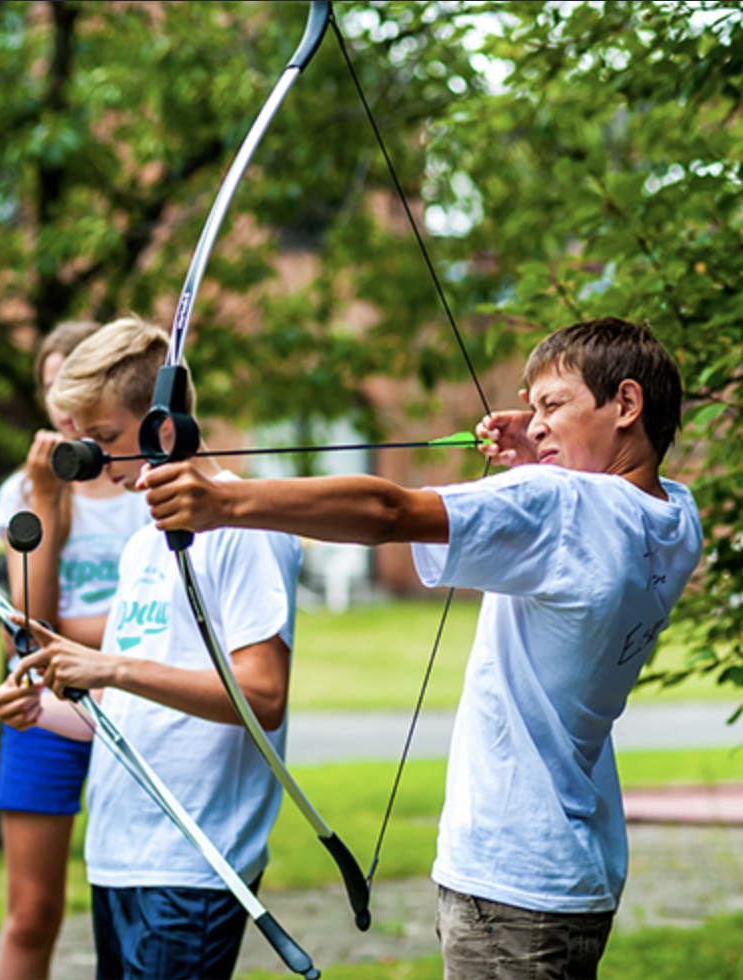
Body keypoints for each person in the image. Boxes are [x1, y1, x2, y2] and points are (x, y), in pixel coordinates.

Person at [140, 317, 703, 980]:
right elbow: (588, 539)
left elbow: (389, 511)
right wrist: (544, 447)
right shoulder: (675, 516)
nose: (537, 420)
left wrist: (225, 503)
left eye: (552, 404)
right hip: (577, 872)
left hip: (510, 883)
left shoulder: (562, 504)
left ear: (627, 405)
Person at [0, 316, 301, 980]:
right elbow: (122, 706)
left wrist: (110, 665)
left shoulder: (245, 528)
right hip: (121, 856)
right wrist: (40, 710)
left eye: (104, 439)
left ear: (164, 427)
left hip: (191, 865)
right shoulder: (143, 543)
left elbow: (263, 697)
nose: (94, 461)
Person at [0, 321, 150, 980]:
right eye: (54, 387)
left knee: (135, 905)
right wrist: (47, 499)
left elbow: (161, 623)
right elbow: (25, 625)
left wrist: (72, 630)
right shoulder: (22, 492)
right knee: (30, 914)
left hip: (135, 703)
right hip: (45, 711)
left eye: (76, 387)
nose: (66, 408)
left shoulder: (147, 481)